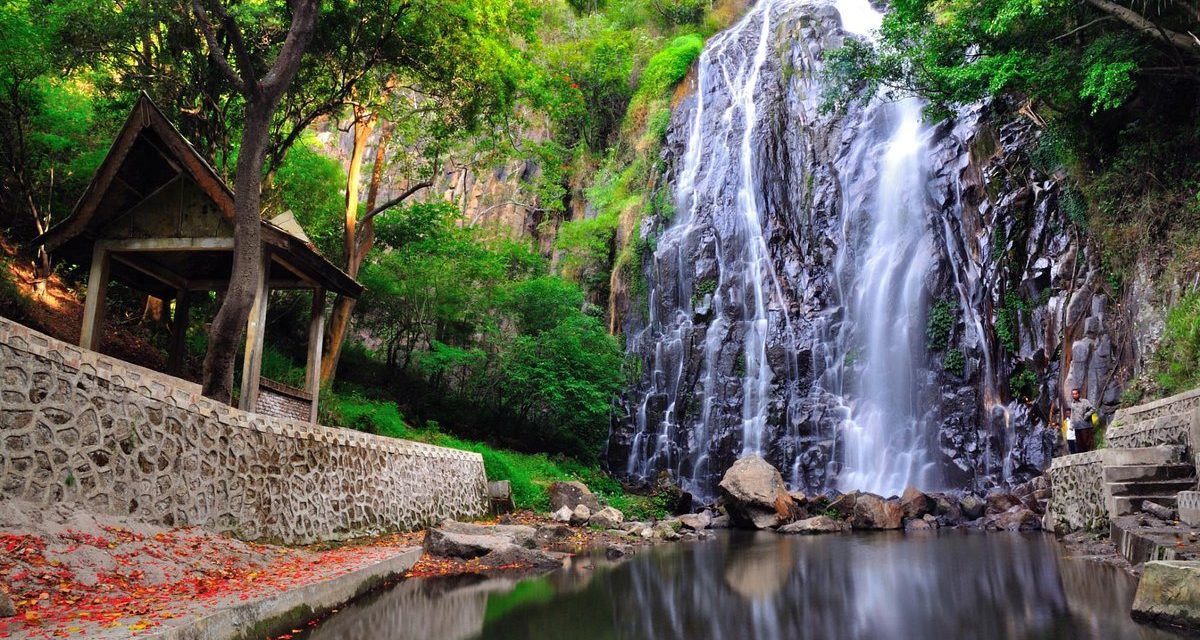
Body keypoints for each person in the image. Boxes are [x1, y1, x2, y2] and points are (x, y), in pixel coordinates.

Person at [1070, 388, 1097, 452]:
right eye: (1073, 394)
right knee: (1079, 444)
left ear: (1079, 394)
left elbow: (1093, 409)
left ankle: (1092, 454)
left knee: (1088, 442)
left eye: (1076, 394)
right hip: (1077, 426)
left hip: (1085, 425)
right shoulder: (1072, 404)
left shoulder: (1084, 401)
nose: (1074, 395)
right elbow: (1072, 415)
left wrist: (1087, 415)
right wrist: (1071, 425)